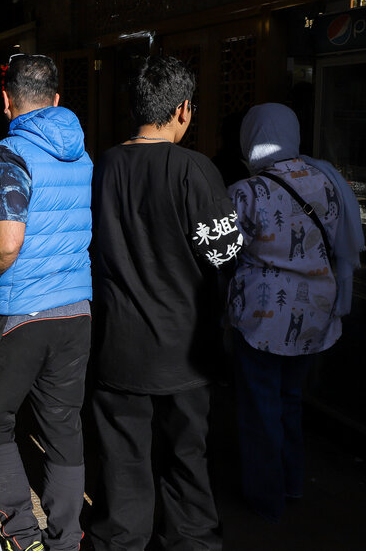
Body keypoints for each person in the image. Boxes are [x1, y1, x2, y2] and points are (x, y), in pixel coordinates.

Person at [90, 56, 239, 550]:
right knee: (186, 458)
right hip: (185, 349)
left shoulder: (102, 167)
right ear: (182, 110)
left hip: (117, 345)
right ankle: (190, 540)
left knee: (121, 461)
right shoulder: (195, 169)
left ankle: (122, 540)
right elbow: (225, 254)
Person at [226, 102, 363, 521]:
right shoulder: (327, 180)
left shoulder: (245, 192)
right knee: (290, 400)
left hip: (261, 321)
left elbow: (226, 254)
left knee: (259, 407)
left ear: (251, 138)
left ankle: (265, 499)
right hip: (315, 315)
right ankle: (293, 482)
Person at [0, 53, 93, 551]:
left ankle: (24, 535)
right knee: (63, 424)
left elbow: (5, 245)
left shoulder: (10, 153)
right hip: (77, 310)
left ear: (6, 100)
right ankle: (67, 538)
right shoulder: (82, 153)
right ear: (58, 100)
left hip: (20, 309)